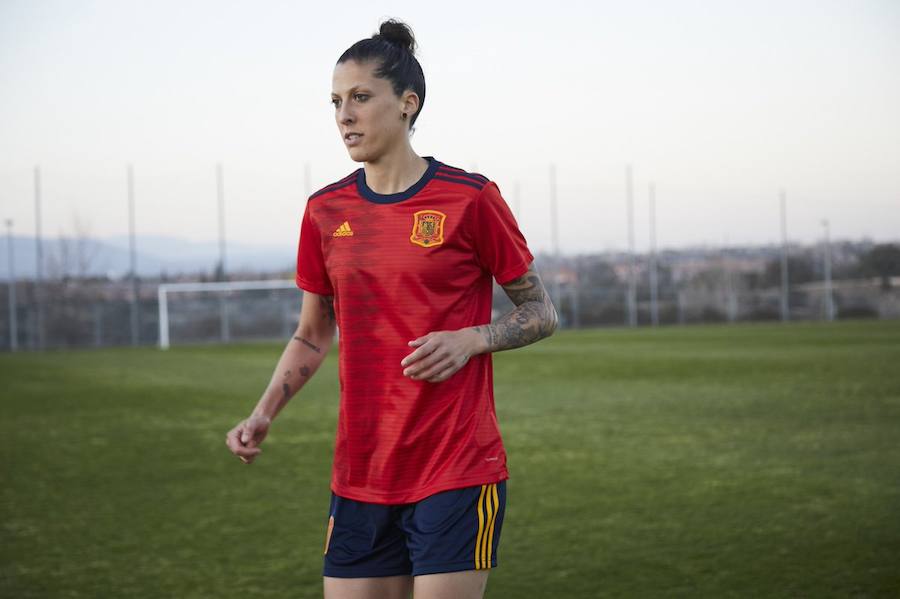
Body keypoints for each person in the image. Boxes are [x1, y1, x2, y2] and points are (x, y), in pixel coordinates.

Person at [225, 18, 557, 599]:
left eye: (360, 97)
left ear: (409, 104)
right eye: (335, 102)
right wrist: (263, 413)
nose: (344, 116)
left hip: (455, 468)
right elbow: (311, 334)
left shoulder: (469, 198)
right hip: (361, 474)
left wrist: (473, 338)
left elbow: (541, 311)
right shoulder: (323, 212)